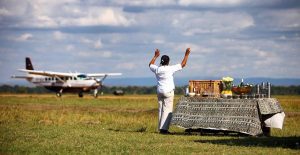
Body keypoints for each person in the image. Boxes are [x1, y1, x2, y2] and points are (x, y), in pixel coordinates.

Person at [149, 48, 191, 134]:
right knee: (167, 110)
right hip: (168, 92)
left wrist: (155, 56)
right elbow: (183, 64)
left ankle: (161, 128)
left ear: (161, 61)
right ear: (168, 62)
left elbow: (150, 64)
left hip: (159, 92)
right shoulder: (170, 68)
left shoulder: (157, 69)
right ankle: (164, 130)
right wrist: (186, 54)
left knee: (161, 110)